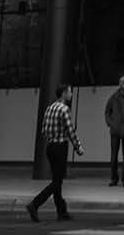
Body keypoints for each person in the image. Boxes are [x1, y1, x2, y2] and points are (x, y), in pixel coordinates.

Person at [27, 86, 83, 222]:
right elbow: (70, 131)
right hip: (60, 147)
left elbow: (44, 131)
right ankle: (35, 204)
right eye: (70, 91)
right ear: (64, 93)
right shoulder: (65, 109)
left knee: (56, 180)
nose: (71, 94)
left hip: (50, 147)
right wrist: (78, 147)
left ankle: (62, 211)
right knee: (57, 181)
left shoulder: (49, 108)